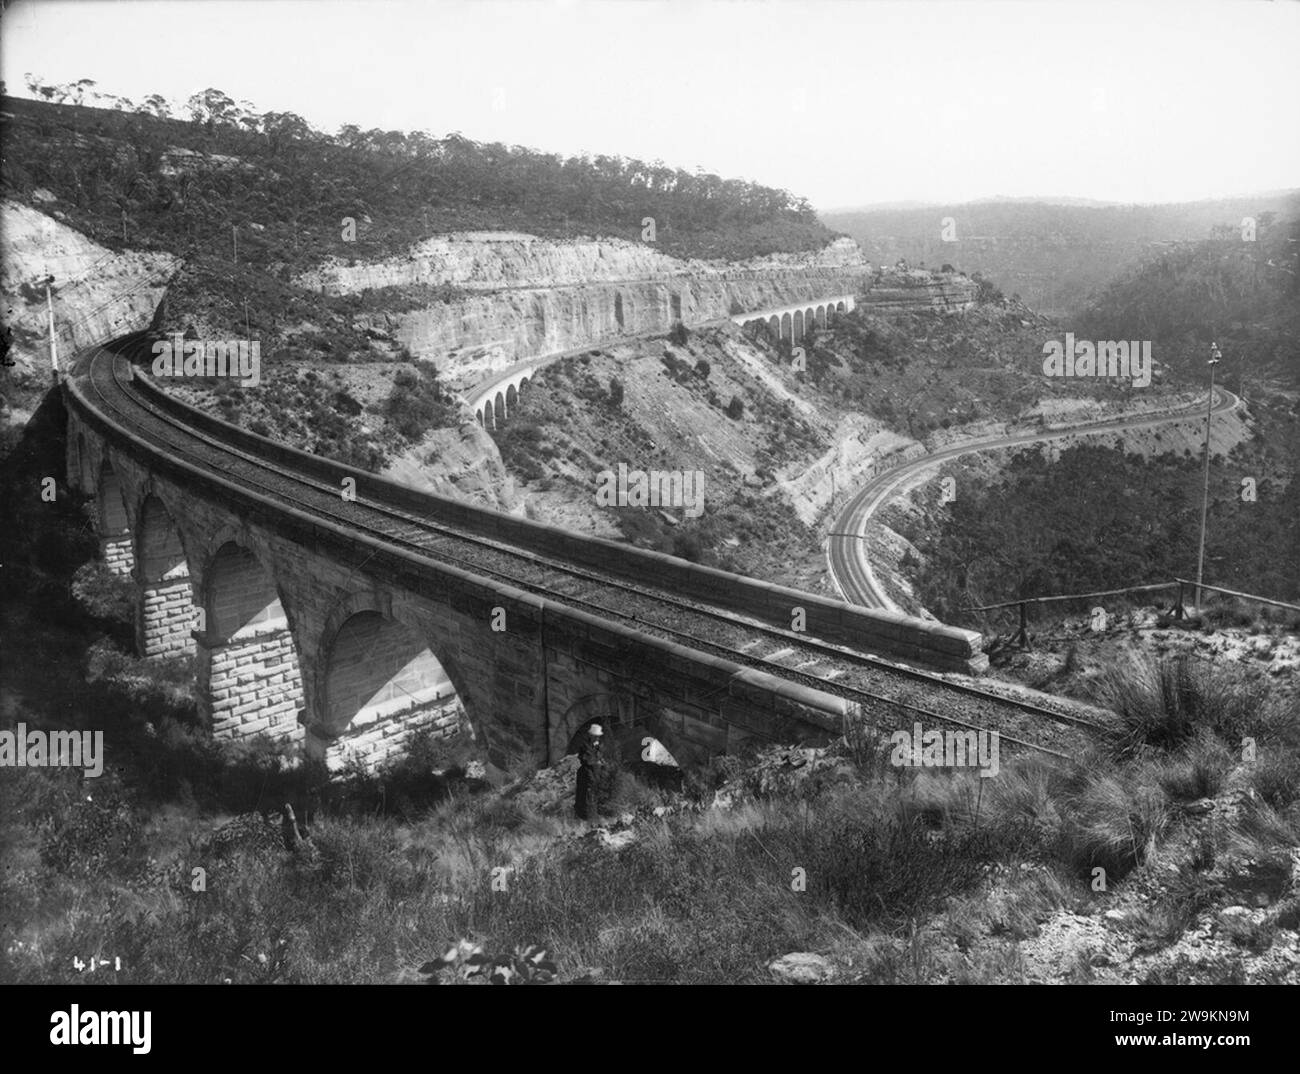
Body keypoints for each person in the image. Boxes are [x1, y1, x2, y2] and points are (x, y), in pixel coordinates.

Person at [574, 723, 605, 821]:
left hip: (596, 773)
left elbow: (601, 758)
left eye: (598, 736)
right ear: (591, 736)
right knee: (584, 795)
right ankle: (582, 816)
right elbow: (585, 759)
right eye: (595, 736)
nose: (597, 738)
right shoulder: (585, 746)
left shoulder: (599, 746)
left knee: (595, 794)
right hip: (586, 773)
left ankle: (593, 815)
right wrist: (596, 762)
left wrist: (602, 763)